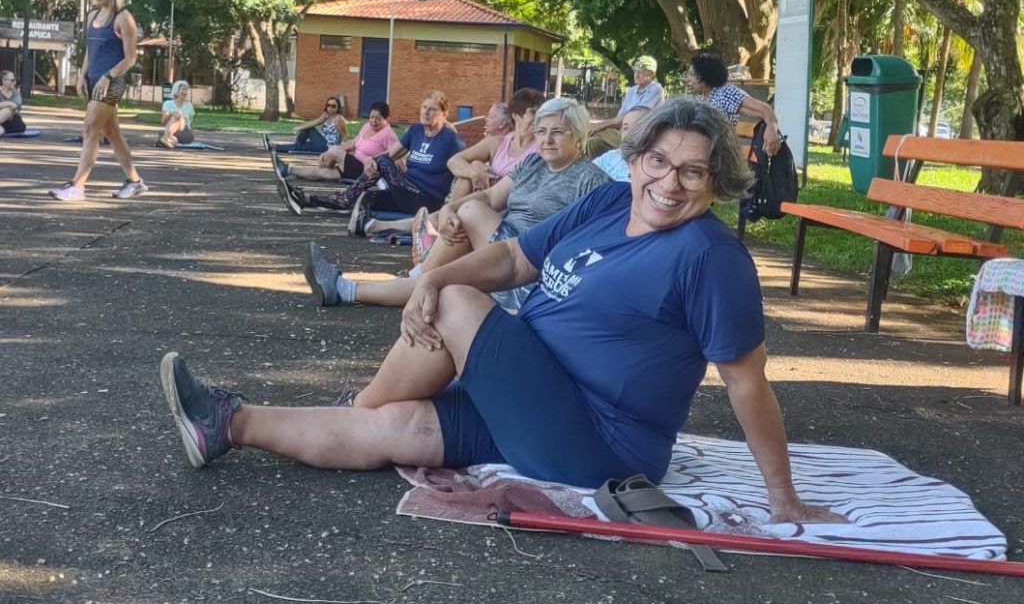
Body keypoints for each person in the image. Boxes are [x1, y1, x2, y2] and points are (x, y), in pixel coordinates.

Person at [159, 97, 845, 526]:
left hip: (599, 441)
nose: (669, 183)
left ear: (716, 183)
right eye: (659, 162)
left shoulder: (709, 258)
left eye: (692, 172)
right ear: (634, 160)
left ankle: (356, 401)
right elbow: (517, 260)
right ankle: (228, 424)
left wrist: (781, 497)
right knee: (398, 424)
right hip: (526, 395)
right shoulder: (610, 202)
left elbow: (746, 380)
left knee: (456, 300)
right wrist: (437, 275)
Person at [303, 97, 610, 313]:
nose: (547, 140)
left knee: (469, 216)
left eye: (558, 132)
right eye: (541, 131)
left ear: (579, 136)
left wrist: (460, 210)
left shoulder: (591, 180)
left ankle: (418, 267)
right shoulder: (533, 165)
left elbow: (597, 248)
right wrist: (449, 209)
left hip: (528, 273)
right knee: (437, 278)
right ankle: (344, 288)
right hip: (497, 252)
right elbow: (492, 196)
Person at [365, 88, 545, 240]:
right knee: (468, 174)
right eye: (535, 113)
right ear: (517, 116)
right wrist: (474, 172)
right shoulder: (498, 142)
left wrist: (480, 171)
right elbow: (454, 161)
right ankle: (382, 226)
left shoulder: (541, 149)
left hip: (504, 209)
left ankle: (395, 229)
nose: (540, 119)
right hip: (476, 203)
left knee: (465, 181)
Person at [277, 90, 464, 233]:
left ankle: (343, 200)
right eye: (424, 108)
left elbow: (464, 164)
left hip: (426, 198)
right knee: (365, 197)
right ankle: (307, 200)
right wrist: (370, 161)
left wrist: (455, 203)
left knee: (381, 163)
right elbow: (392, 153)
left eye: (433, 109)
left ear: (443, 114)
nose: (426, 112)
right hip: (404, 191)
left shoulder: (449, 139)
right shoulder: (415, 131)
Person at [49, 0, 147, 201]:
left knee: (90, 129)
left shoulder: (124, 18)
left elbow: (130, 58)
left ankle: (77, 187)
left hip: (111, 84)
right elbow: (90, 51)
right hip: (94, 81)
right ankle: (135, 181)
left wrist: (108, 76)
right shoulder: (93, 15)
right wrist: (82, 75)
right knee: (112, 134)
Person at [274, 101, 398, 182]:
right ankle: (288, 170)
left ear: (387, 119)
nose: (373, 121)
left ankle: (325, 161)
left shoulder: (388, 134)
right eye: (371, 117)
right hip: (354, 166)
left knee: (334, 151)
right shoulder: (367, 127)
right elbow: (351, 143)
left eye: (378, 119)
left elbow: (398, 159)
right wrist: (327, 154)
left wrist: (377, 166)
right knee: (324, 172)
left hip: (365, 170)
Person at [686, 51, 782, 156]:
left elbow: (765, 109)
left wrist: (771, 129)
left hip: (720, 156)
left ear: (704, 75)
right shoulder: (701, 97)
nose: (688, 79)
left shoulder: (725, 92)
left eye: (691, 74)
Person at [446, 97, 538, 200]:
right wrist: (475, 174)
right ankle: (447, 212)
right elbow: (453, 161)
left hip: (505, 200)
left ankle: (447, 211)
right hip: (482, 198)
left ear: (502, 124)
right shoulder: (494, 142)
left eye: (491, 117)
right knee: (475, 167)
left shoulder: (537, 147)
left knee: (476, 165)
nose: (486, 119)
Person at [584, 55, 664, 157]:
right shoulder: (632, 91)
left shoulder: (655, 89)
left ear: (651, 74)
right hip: (623, 133)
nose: (636, 74)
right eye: (635, 71)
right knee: (591, 143)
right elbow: (619, 120)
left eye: (641, 72)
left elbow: (634, 119)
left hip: (640, 137)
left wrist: (599, 126)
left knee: (589, 130)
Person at [591, 106, 650, 182]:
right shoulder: (612, 156)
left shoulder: (649, 167)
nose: (629, 133)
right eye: (626, 128)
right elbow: (587, 172)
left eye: (637, 128)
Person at [277, 96, 348, 153]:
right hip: (320, 143)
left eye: (333, 106)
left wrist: (342, 151)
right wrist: (299, 127)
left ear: (338, 107)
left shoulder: (339, 119)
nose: (330, 108)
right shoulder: (326, 115)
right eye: (328, 105)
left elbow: (344, 137)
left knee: (309, 129)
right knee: (301, 147)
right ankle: (276, 147)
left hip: (327, 146)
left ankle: (293, 145)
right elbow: (315, 122)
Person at [157, 80, 196, 148]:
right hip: (173, 132)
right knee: (173, 141)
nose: (185, 92)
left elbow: (190, 123)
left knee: (178, 115)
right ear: (176, 91)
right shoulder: (168, 103)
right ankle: (167, 138)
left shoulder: (190, 105)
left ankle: (165, 137)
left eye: (186, 90)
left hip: (185, 133)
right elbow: (163, 122)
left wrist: (177, 116)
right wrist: (170, 114)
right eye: (183, 89)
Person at [0, 70, 25, 137]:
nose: (14, 82)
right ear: (4, 81)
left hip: (12, 120)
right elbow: (12, 105)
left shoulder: (16, 93)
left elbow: (16, 105)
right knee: (7, 109)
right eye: (12, 80)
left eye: (15, 80)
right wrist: (9, 103)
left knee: (8, 110)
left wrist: (2, 105)